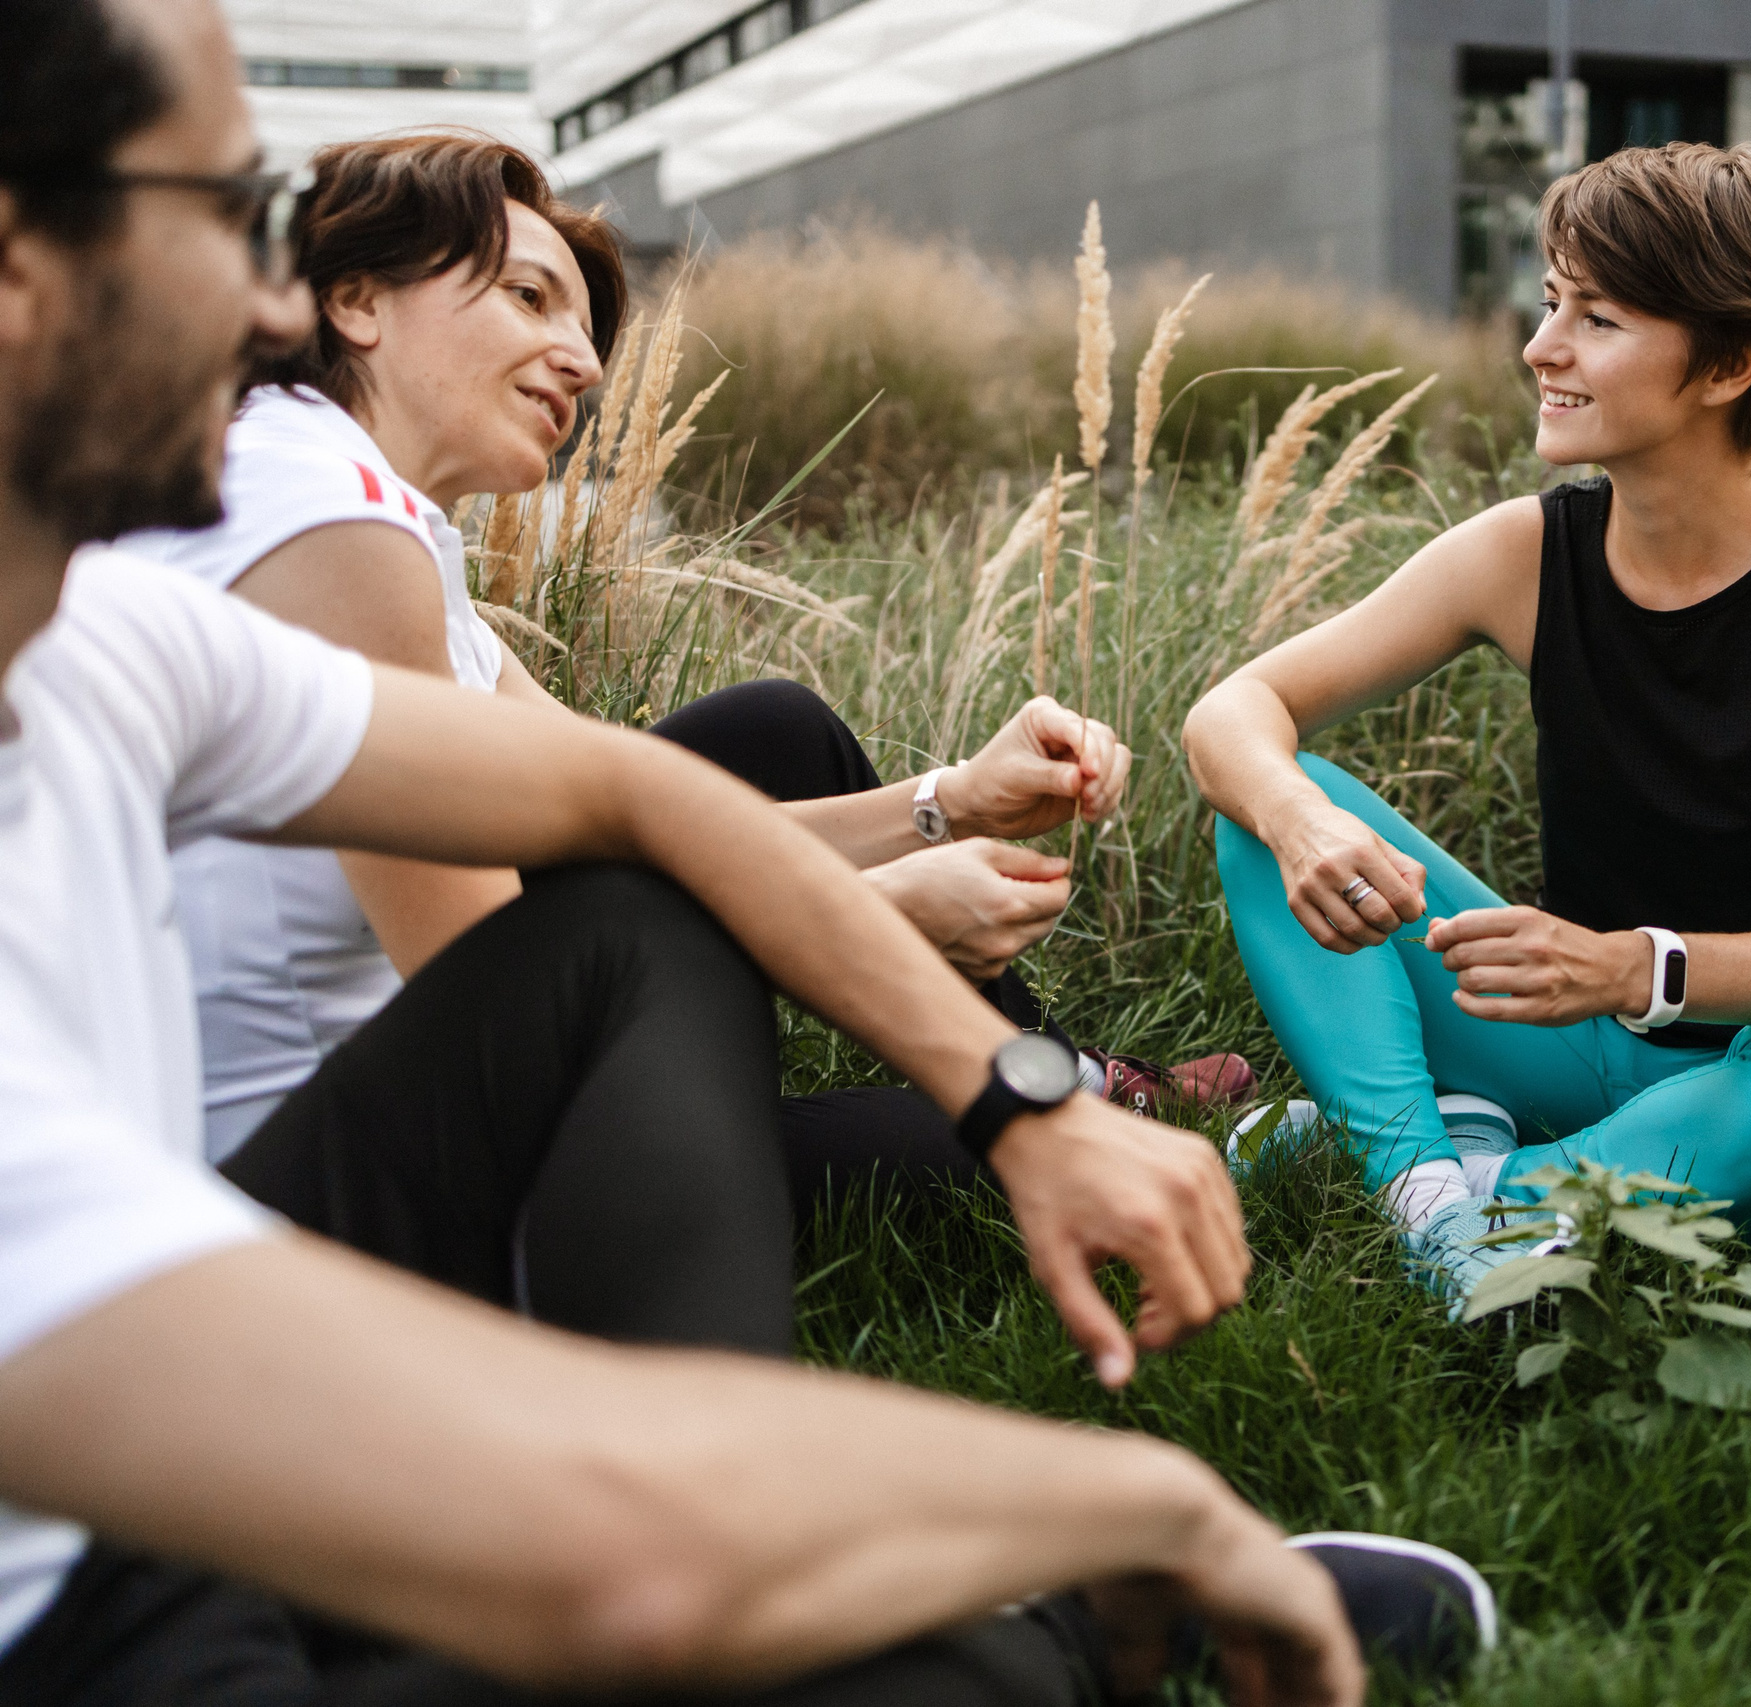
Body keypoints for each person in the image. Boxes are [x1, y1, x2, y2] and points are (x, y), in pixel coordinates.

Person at [0, 0, 1493, 1698]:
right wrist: (1146, 1505)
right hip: (124, 1569)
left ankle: (987, 1538)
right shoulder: (316, 509)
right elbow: (626, 1552)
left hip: (173, 1437)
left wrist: (1015, 1076)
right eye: (220, 212)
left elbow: (631, 793)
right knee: (872, 1657)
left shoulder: (118, 642)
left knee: (659, 887)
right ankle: (1055, 1628)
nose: (266, 299)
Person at [109, 128, 1249, 1186]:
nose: (582, 364)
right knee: (934, 1156)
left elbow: (626, 815)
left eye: (584, 327)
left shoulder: (362, 508)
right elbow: (495, 989)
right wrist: (878, 914)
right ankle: (1077, 1120)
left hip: (424, 1078)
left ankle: (1073, 1086)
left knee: (771, 730)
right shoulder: (325, 524)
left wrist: (950, 803)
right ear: (356, 298)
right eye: (527, 298)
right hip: (331, 1169)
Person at [1185, 142, 1751, 1306]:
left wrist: (1624, 967)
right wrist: (1298, 820)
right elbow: (1235, 712)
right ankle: (1427, 1199)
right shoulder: (1525, 552)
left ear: (1731, 362)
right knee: (1267, 809)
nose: (1541, 348)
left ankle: (1472, 1166)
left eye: (1596, 318)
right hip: (1568, 1043)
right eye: (1551, 303)